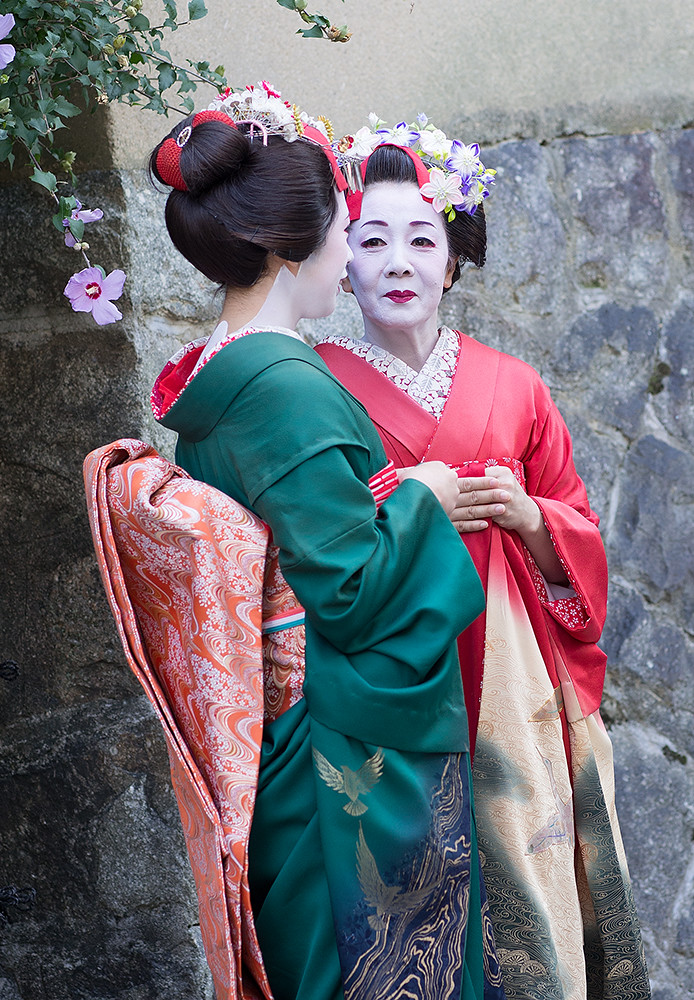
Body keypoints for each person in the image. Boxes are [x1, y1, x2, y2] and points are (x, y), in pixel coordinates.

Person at [144, 85, 503, 1000]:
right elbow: (348, 590)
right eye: (347, 230)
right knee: (379, 975)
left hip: (293, 730)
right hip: (337, 748)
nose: (350, 257)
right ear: (285, 247)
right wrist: (421, 496)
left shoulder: (223, 367)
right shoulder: (285, 386)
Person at [316, 117, 651, 1000]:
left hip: (511, 679)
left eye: (422, 240)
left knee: (527, 897)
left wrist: (532, 517)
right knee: (406, 912)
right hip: (393, 670)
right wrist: (402, 502)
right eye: (371, 240)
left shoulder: (516, 386)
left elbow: (578, 532)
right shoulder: (317, 389)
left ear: (455, 261)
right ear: (339, 261)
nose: (398, 262)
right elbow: (312, 538)